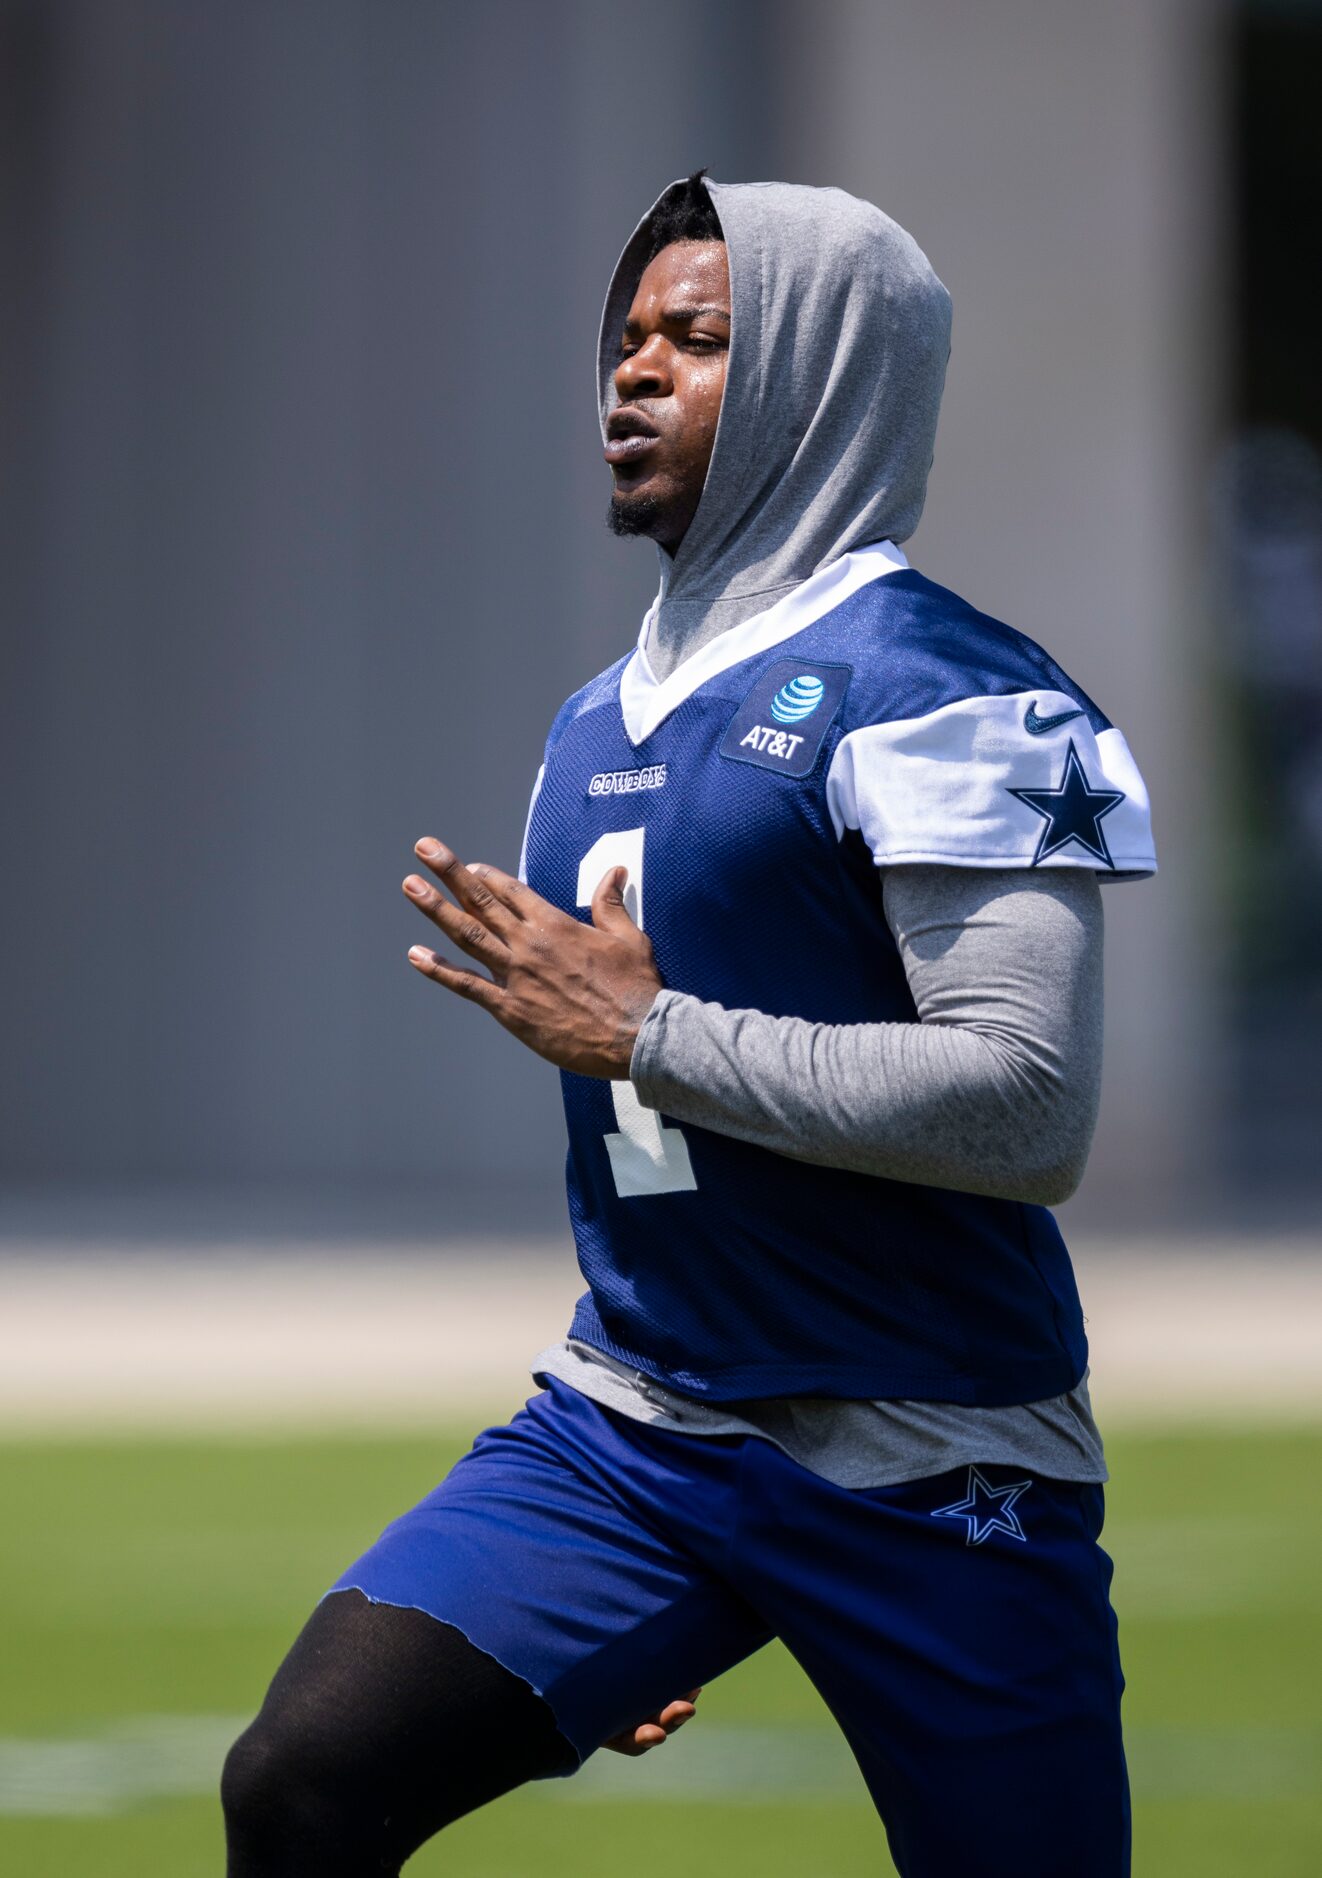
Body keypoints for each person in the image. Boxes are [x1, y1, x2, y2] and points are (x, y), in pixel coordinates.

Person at [222, 172, 1155, 1877]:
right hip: (636, 1436)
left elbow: (1028, 1109)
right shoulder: (596, 714)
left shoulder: (957, 686)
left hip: (930, 1452)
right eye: (627, 336)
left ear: (822, 372)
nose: (631, 374)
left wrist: (654, 1035)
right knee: (305, 1778)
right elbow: (649, 1130)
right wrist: (628, 1609)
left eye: (698, 338)